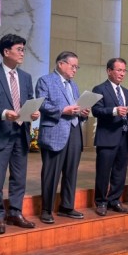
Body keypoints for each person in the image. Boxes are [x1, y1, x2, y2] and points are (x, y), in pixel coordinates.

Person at [0, 34, 39, 235]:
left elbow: (29, 101)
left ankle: (15, 212)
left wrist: (33, 113)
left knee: (19, 178)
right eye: (19, 49)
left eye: (23, 49)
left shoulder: (26, 77)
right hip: (0, 134)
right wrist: (5, 113)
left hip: (21, 134)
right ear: (6, 52)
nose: (22, 53)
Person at [35, 52, 90, 224]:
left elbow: (76, 107)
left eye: (77, 67)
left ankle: (67, 206)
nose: (75, 70)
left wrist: (82, 112)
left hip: (74, 131)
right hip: (55, 132)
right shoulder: (45, 81)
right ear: (61, 64)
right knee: (51, 173)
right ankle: (46, 209)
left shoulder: (73, 85)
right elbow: (42, 103)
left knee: (71, 171)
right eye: (73, 66)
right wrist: (62, 110)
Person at [91, 58, 128, 216]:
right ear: (109, 71)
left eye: (124, 70)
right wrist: (114, 111)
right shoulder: (100, 89)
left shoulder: (126, 92)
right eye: (119, 70)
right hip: (107, 137)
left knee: (120, 172)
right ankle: (101, 202)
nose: (122, 73)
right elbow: (96, 110)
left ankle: (114, 200)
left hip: (124, 136)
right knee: (103, 172)